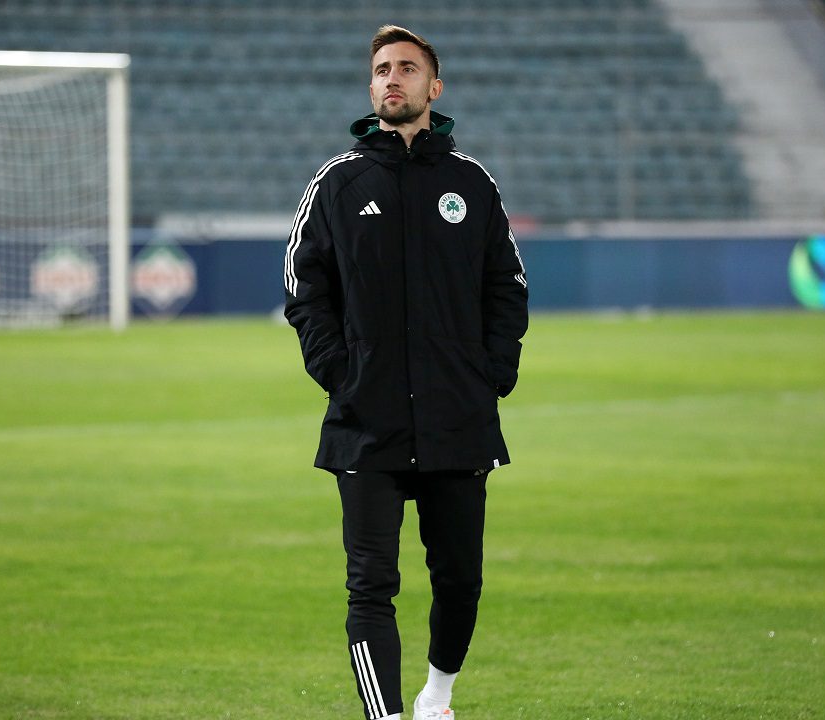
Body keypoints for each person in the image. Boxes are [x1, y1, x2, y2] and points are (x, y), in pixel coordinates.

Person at [284, 25, 528, 720]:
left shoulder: (471, 183)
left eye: (408, 68)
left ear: (434, 87)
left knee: (461, 582)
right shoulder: (337, 182)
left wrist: (491, 374)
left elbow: (507, 286)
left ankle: (436, 698)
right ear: (371, 87)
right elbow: (304, 287)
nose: (393, 77)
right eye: (383, 69)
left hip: (457, 416)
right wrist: (339, 371)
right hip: (368, 419)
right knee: (370, 587)